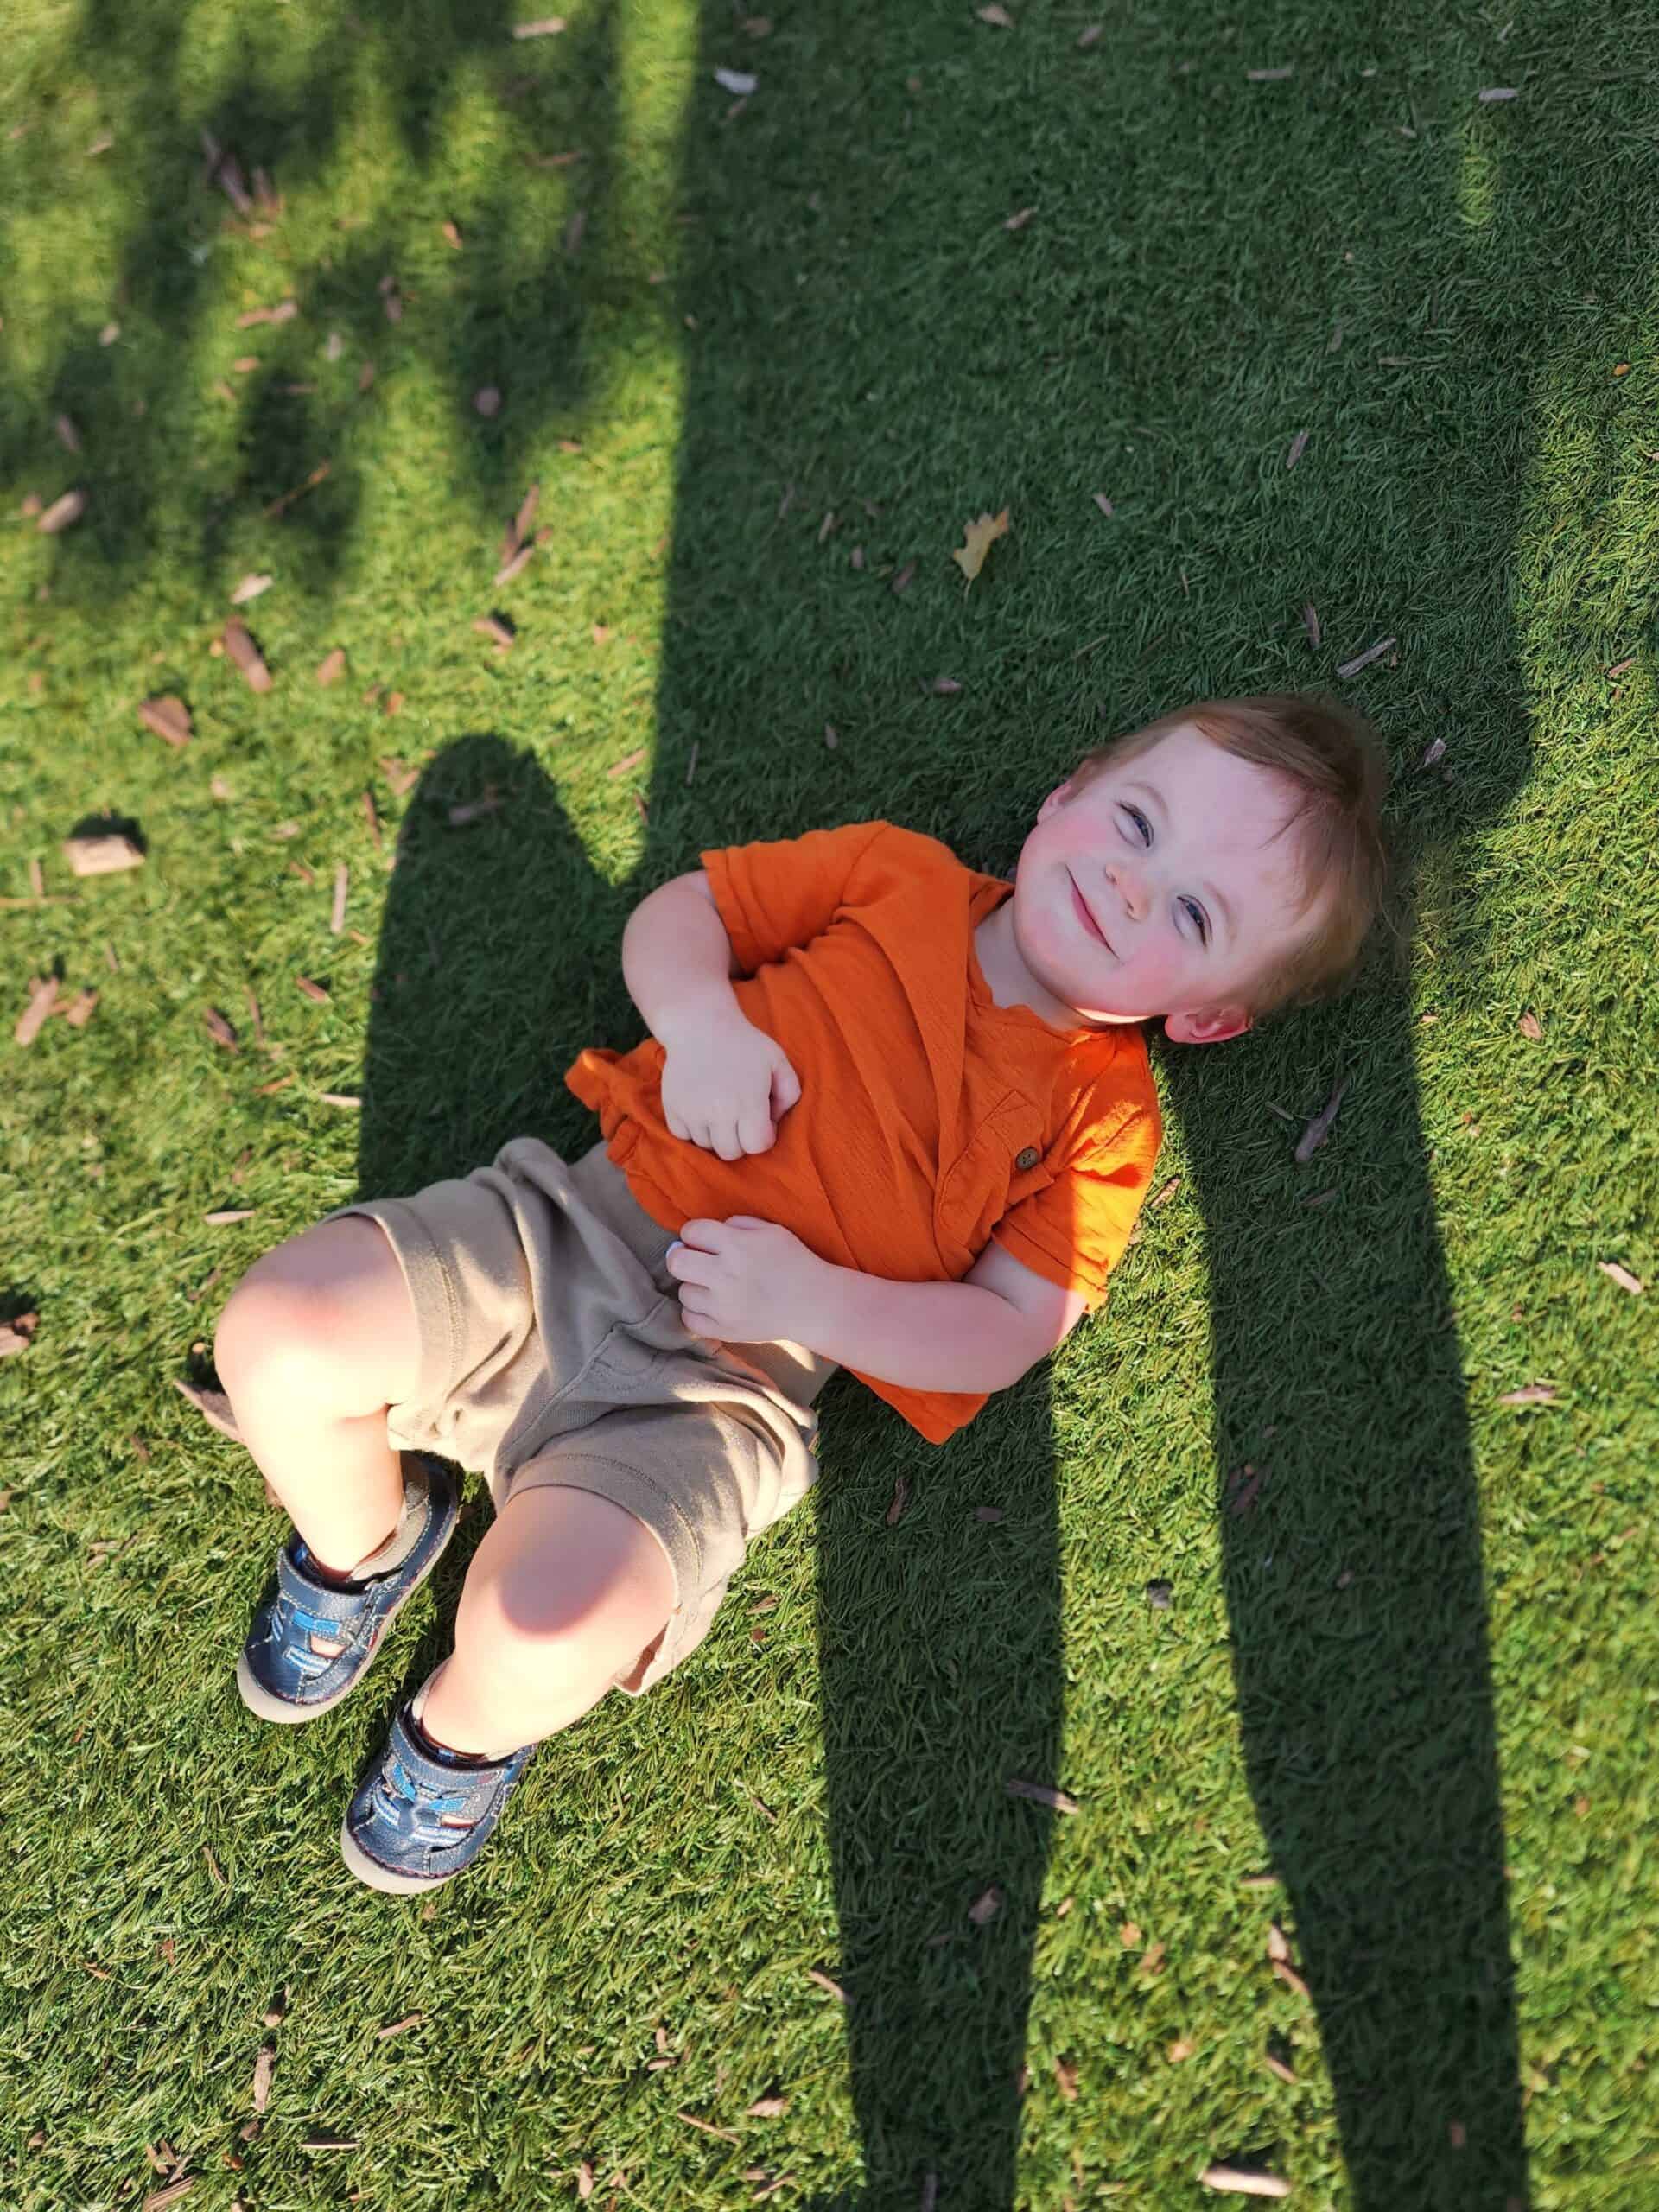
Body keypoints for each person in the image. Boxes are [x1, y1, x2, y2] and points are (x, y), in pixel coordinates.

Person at [213, 693, 1388, 1893]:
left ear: (1205, 1015)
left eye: (1192, 911)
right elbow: (686, 917)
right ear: (1068, 794)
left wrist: (818, 1302)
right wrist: (702, 1025)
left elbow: (1006, 1330)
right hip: (556, 1233)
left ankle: (459, 1733)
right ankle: (364, 1545)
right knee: (276, 1337)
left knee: (540, 1630)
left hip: (715, 1397)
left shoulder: (1106, 1123)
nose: (1136, 886)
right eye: (1138, 822)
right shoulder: (897, 874)